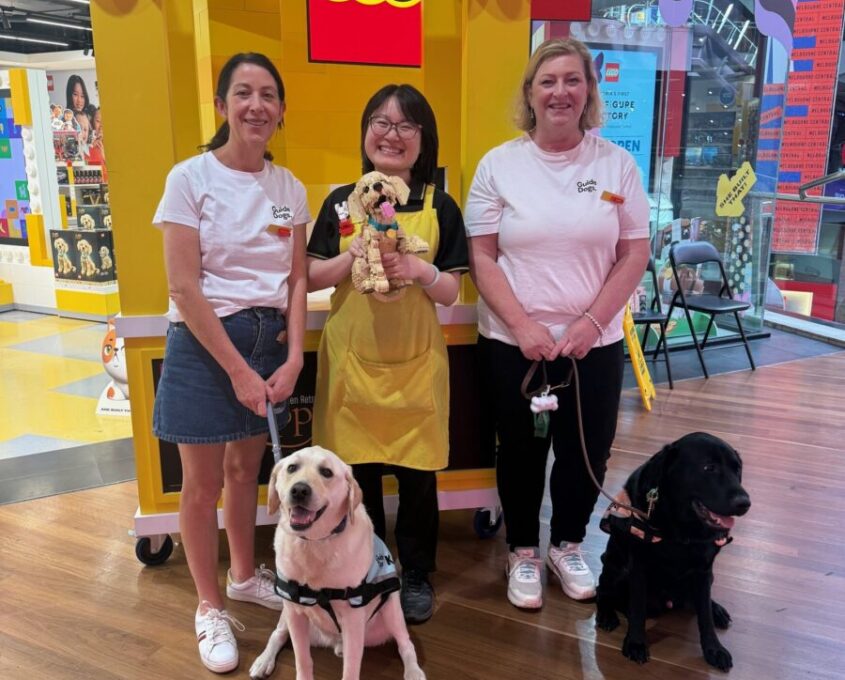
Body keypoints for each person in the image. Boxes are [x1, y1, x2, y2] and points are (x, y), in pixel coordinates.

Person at [465, 37, 650, 610]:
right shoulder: (498, 165)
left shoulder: (617, 165)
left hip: (594, 342)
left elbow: (634, 253)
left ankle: (567, 545)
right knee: (520, 450)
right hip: (513, 343)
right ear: (530, 93)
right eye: (548, 81)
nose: (560, 92)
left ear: (589, 91)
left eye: (573, 80)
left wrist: (593, 322)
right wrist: (522, 325)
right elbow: (482, 256)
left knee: (586, 450)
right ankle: (522, 549)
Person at [152, 52, 309, 673]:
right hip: (204, 344)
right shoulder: (189, 178)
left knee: (247, 471)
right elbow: (183, 287)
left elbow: (297, 280)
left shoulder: (289, 187)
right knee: (202, 484)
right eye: (243, 93)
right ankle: (209, 605)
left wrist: (293, 357)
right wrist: (239, 371)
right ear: (221, 105)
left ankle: (243, 577)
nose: (256, 105)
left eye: (268, 95)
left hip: (268, 340)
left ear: (282, 109)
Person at [307, 84, 468, 624]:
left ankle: (417, 573)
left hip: (415, 362)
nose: (391, 135)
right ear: (365, 132)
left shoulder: (440, 206)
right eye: (381, 122)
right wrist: (351, 254)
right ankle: (369, 569)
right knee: (357, 478)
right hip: (352, 362)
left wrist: (420, 270)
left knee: (418, 477)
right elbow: (311, 275)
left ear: (424, 139)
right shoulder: (341, 202)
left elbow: (453, 291)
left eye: (405, 125)